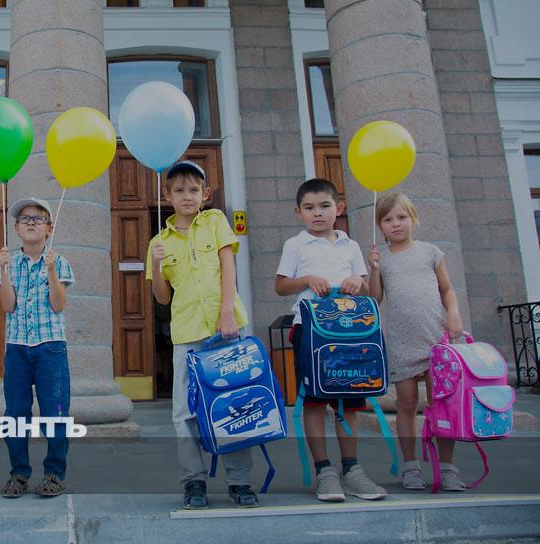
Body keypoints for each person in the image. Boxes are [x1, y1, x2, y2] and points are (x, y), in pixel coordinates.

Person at [146, 160, 255, 510]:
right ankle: (193, 481)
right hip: (187, 334)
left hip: (226, 330)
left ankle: (239, 481)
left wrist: (227, 312)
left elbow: (228, 266)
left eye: (194, 190)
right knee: (185, 412)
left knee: (235, 404)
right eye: (179, 190)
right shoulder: (158, 241)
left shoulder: (216, 221)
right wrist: (156, 265)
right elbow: (162, 298)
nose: (187, 196)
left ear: (205, 194)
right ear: (167, 196)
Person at [275, 177, 387, 502]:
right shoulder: (295, 245)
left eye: (324, 206)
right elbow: (280, 286)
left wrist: (357, 281)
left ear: (339, 208)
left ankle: (352, 469)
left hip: (351, 330)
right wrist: (307, 279)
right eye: (309, 208)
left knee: (350, 399)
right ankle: (324, 471)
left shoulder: (350, 246)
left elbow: (370, 292)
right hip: (310, 331)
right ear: (298, 212)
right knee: (314, 399)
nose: (317, 213)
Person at [367, 192, 467, 491]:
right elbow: (375, 298)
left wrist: (454, 314)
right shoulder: (383, 259)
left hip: (435, 338)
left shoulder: (430, 252)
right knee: (407, 403)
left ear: (413, 218)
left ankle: (448, 468)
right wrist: (374, 270)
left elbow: (446, 289)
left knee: (441, 403)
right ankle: (411, 466)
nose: (396, 224)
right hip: (402, 341)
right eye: (388, 219)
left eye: (401, 217)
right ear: (380, 226)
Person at [0, 197, 75, 498]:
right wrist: (3, 270)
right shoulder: (10, 262)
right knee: (15, 412)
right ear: (16, 228)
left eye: (38, 218)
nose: (31, 222)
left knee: (55, 411)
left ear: (49, 228)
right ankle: (19, 473)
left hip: (50, 347)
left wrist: (51, 271)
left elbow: (58, 305)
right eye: (24, 219)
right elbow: (8, 306)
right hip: (17, 347)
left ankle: (55, 473)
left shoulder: (58, 260)